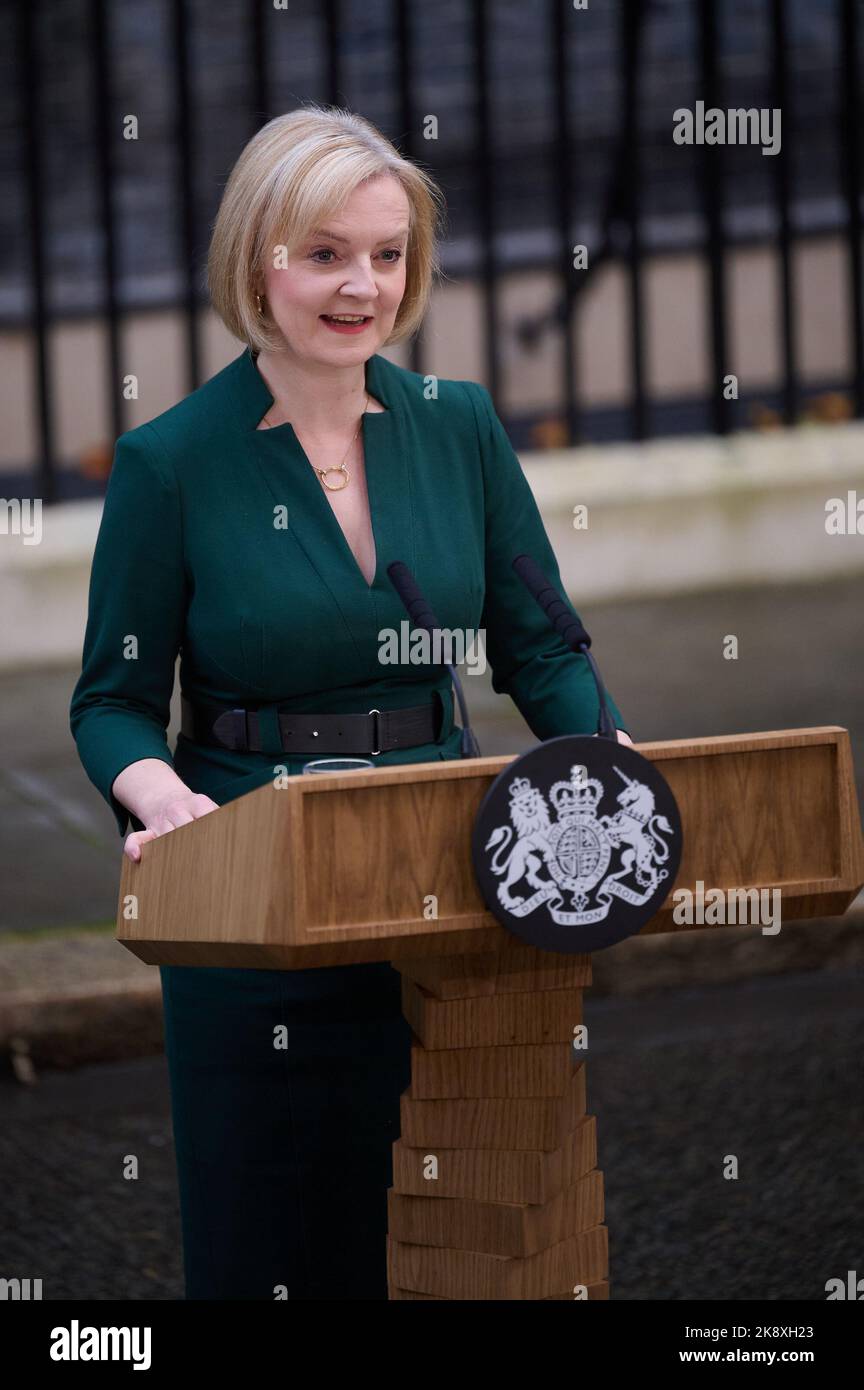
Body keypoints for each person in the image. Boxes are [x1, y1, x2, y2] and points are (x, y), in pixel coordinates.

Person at [69, 103, 633, 1300]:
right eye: (324, 253)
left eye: (386, 255)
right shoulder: (174, 464)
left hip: (445, 870)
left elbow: (540, 645)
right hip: (250, 883)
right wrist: (161, 795)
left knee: (457, 1225)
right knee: (274, 1233)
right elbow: (111, 700)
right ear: (255, 259)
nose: (360, 286)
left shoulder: (460, 427)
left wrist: (604, 753)